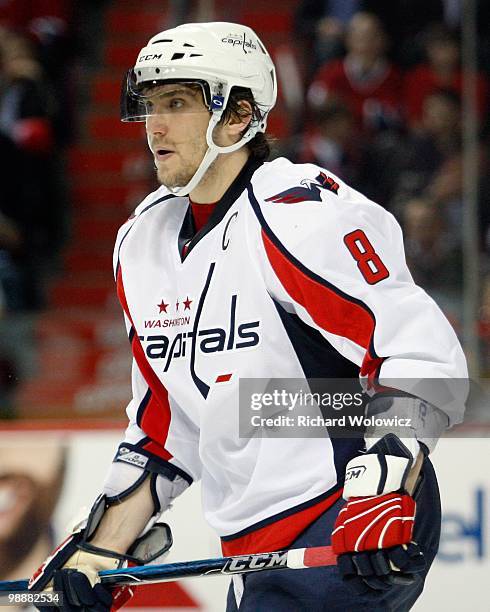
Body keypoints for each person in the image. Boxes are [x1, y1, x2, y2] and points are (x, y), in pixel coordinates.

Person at [29, 22, 467, 611]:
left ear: (237, 116)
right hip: (252, 545)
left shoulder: (296, 212)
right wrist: (104, 544)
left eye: (177, 104)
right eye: (151, 105)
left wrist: (390, 473)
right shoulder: (140, 241)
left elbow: (420, 351)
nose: (154, 125)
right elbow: (167, 419)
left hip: (345, 516)